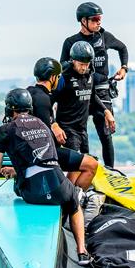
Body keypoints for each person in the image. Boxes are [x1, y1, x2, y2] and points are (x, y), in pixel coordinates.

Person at [0, 89, 91, 266]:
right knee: (74, 203)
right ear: (29, 108)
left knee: (19, 186)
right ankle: (82, 252)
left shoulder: (5, 130)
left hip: (32, 194)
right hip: (59, 189)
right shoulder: (42, 124)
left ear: (10, 110)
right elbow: (45, 159)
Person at [60, 2, 128, 168]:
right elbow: (62, 65)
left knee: (105, 134)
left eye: (100, 19)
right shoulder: (71, 42)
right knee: (79, 133)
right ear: (83, 21)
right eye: (95, 19)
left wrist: (124, 67)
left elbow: (122, 48)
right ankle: (83, 169)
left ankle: (111, 170)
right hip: (81, 92)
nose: (99, 22)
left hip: (102, 91)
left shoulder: (104, 36)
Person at [26, 57, 98, 190]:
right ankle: (73, 200)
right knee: (92, 164)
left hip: (29, 153)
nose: (59, 80)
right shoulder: (44, 99)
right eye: (58, 77)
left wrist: (54, 124)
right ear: (52, 78)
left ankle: (70, 193)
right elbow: (44, 135)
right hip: (44, 155)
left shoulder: (29, 93)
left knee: (79, 159)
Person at [53, 41, 116, 156]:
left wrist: (106, 111)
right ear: (73, 61)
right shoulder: (64, 77)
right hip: (67, 130)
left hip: (82, 129)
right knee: (78, 167)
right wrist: (54, 124)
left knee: (86, 165)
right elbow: (49, 101)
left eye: (87, 64)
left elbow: (92, 96)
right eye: (81, 64)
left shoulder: (89, 73)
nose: (84, 67)